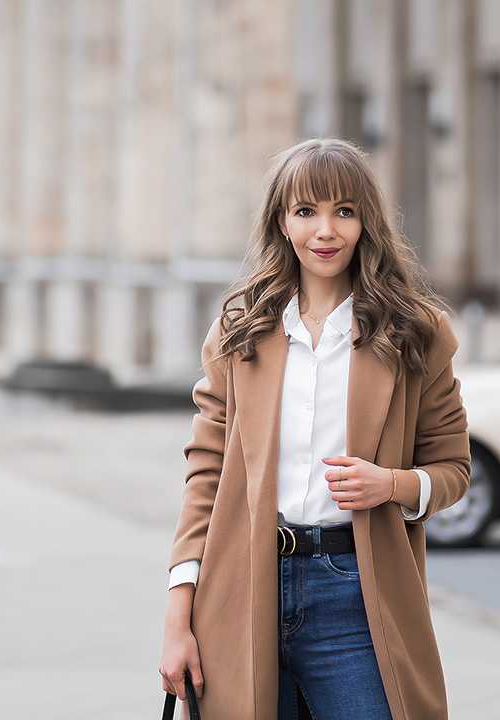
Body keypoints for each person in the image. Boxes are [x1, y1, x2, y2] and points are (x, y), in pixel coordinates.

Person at [158, 138, 471, 719]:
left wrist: (392, 486)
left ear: (365, 222)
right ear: (282, 221)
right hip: (245, 588)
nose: (325, 231)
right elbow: (204, 475)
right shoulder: (239, 329)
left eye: (343, 212)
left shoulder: (415, 333)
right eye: (306, 212)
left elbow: (453, 468)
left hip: (356, 590)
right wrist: (179, 618)